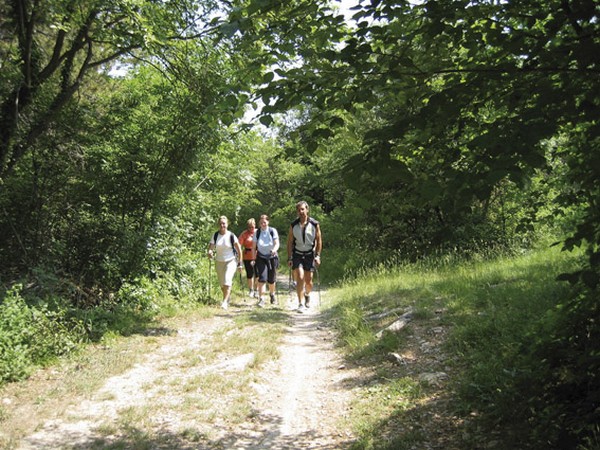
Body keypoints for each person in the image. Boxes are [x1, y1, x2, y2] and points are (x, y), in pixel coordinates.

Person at [287, 201, 322, 312]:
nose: (301, 212)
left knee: (309, 281)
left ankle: (307, 294)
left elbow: (319, 240)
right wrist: (290, 257)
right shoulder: (293, 225)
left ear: (307, 210)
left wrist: (317, 255)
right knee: (300, 277)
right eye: (299, 210)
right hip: (297, 254)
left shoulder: (314, 224)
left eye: (302, 209)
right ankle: (300, 303)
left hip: (309, 254)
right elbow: (289, 242)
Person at [207, 216, 243, 309]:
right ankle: (227, 298)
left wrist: (240, 263)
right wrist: (210, 252)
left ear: (227, 224)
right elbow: (210, 247)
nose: (222, 225)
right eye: (220, 223)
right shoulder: (215, 235)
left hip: (231, 261)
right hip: (219, 261)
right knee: (222, 284)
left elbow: (239, 250)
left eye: (224, 223)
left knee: (227, 280)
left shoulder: (231, 235)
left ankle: (224, 302)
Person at [253, 214, 280, 307]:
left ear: (268, 222)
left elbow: (276, 243)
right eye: (261, 223)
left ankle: (272, 295)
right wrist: (253, 258)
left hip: (272, 257)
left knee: (271, 279)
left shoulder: (272, 231)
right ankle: (261, 299)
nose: (263, 224)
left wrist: (274, 250)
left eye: (264, 222)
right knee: (262, 278)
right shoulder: (257, 232)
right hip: (261, 257)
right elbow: (253, 247)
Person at [238, 218, 258, 298]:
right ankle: (251, 290)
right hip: (247, 256)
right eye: (249, 227)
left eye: (252, 227)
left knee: (258, 274)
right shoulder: (244, 234)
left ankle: (256, 290)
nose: (251, 229)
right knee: (250, 274)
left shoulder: (258, 232)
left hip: (257, 255)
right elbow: (239, 244)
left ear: (255, 226)